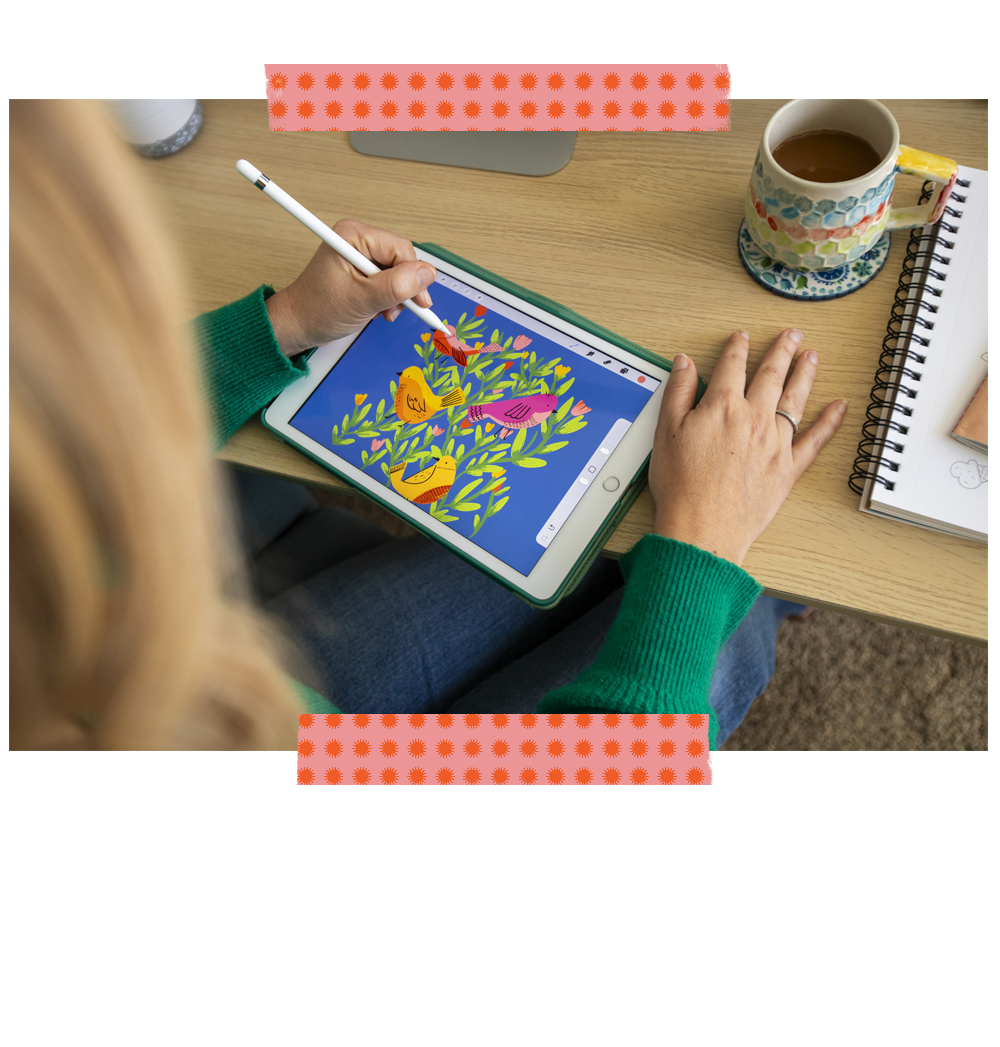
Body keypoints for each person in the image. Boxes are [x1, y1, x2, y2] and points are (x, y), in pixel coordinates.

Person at [9, 100, 847, 757]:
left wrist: (283, 323)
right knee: (724, 624)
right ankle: (767, 599)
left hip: (248, 686)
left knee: (589, 545)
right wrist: (703, 543)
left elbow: (79, 443)